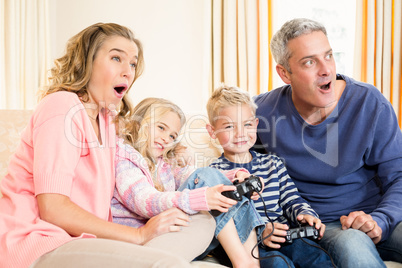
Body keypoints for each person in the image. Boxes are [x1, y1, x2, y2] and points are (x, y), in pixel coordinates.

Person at [0, 22, 208, 268]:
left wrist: (174, 156)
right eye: (116, 58)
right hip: (40, 242)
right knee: (167, 263)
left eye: (132, 63)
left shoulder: (107, 121)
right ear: (87, 61)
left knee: (202, 221)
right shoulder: (61, 106)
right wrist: (138, 236)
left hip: (88, 242)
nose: (128, 71)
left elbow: (142, 146)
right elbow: (53, 209)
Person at [253, 18, 402, 267]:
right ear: (284, 73)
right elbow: (242, 171)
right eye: (310, 62)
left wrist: (380, 219)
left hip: (378, 213)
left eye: (329, 56)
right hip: (322, 226)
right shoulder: (261, 112)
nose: (326, 70)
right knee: (354, 245)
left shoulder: (369, 102)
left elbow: (398, 174)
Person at [206, 85, 334, 268]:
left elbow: (291, 199)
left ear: (256, 125)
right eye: (228, 126)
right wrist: (260, 234)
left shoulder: (273, 163)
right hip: (248, 247)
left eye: (247, 124)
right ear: (212, 132)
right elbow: (225, 223)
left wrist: (305, 214)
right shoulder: (214, 175)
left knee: (317, 257)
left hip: (284, 235)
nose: (240, 133)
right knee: (278, 264)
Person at [111, 97, 249, 261]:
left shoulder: (164, 162)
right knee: (208, 211)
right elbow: (145, 201)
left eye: (172, 136)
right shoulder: (125, 158)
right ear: (139, 123)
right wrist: (197, 199)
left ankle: (250, 257)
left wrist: (234, 177)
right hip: (140, 240)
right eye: (161, 128)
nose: (166, 138)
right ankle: (242, 260)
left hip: (166, 233)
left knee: (225, 199)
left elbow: (197, 175)